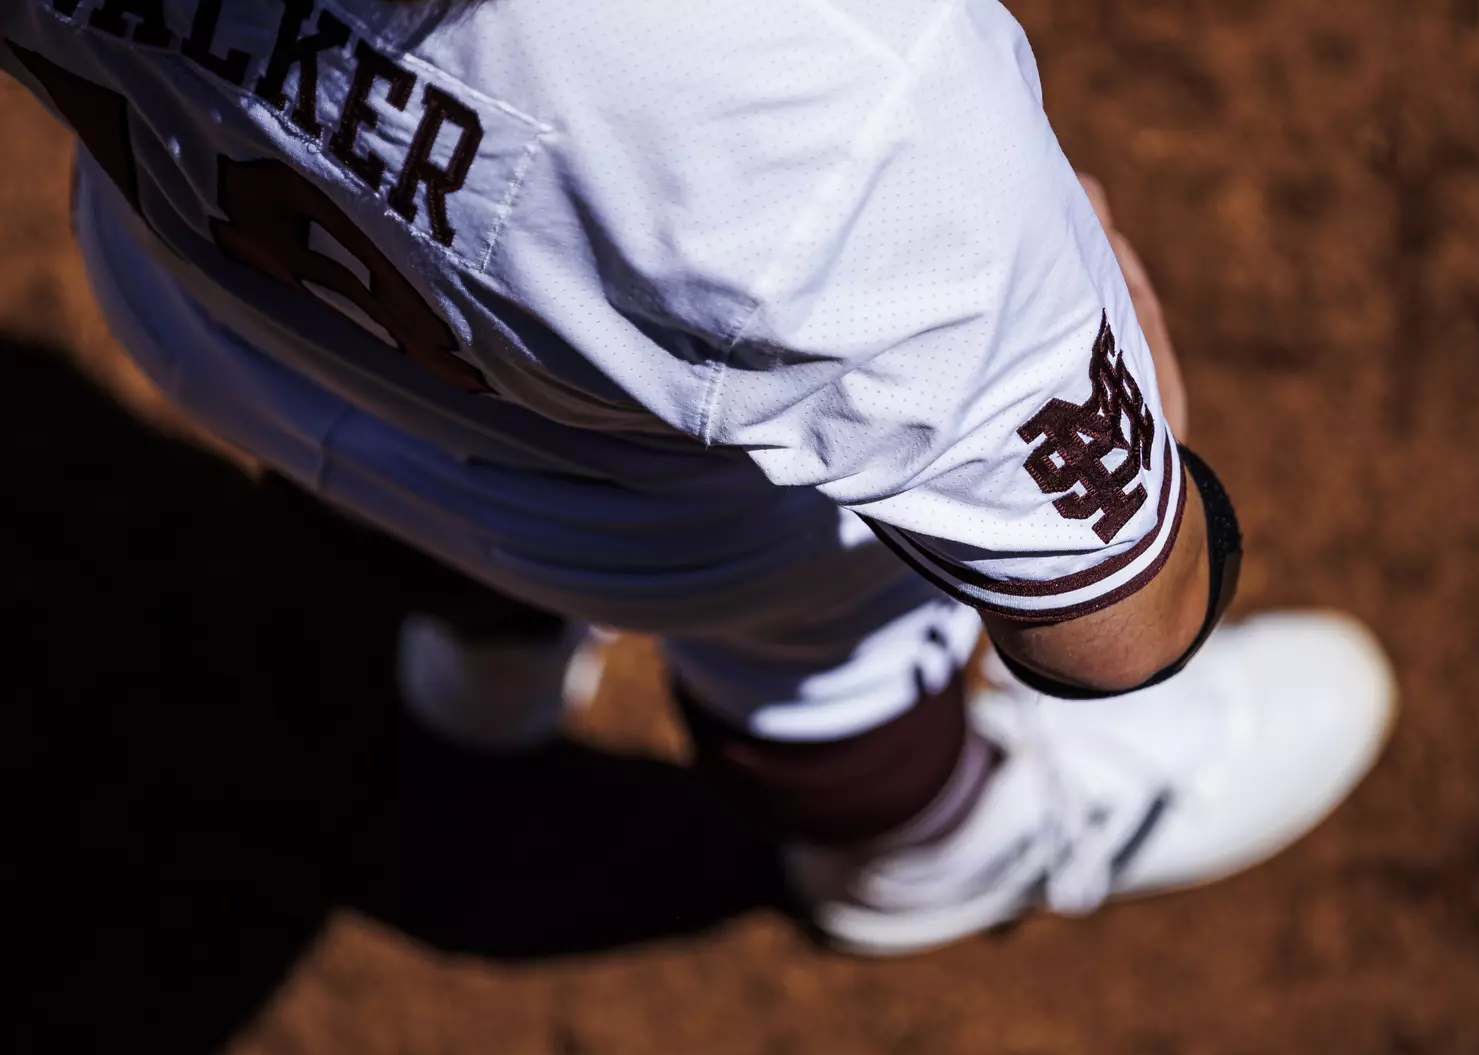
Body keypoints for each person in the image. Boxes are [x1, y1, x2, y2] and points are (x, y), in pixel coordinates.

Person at [2, 0, 1394, 956]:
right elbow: (1118, 626)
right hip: (663, 525)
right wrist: (1158, 433)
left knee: (391, 460)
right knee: (826, 647)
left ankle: (482, 680)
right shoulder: (835, 87)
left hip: (212, 322)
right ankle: (924, 858)